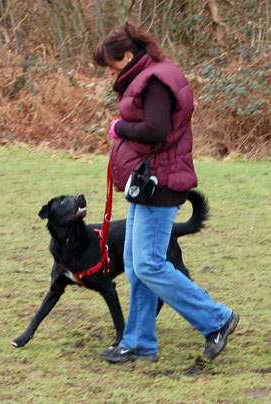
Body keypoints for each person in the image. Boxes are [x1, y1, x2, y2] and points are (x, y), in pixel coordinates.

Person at [93, 19, 239, 363]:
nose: (109, 72)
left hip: (160, 182)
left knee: (149, 263)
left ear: (127, 55)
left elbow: (156, 129)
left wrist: (118, 128)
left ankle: (217, 319)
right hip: (148, 182)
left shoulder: (156, 80)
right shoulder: (152, 73)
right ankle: (140, 342)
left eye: (111, 65)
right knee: (134, 262)